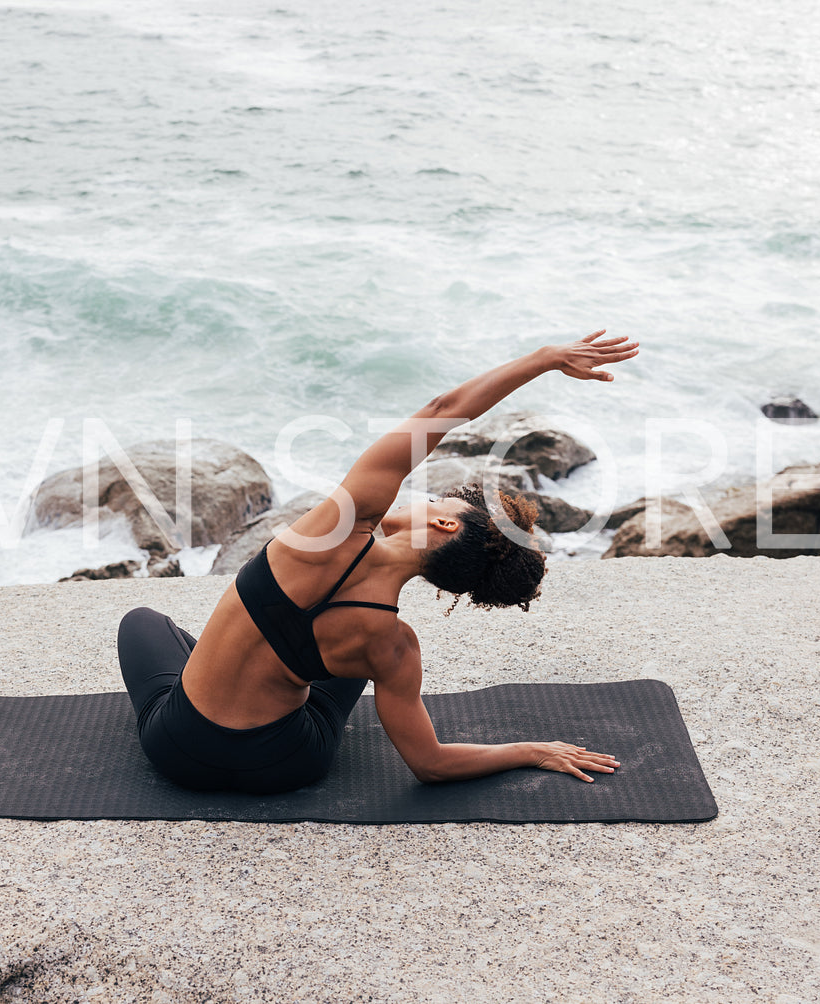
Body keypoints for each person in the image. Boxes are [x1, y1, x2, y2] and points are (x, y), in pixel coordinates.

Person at [117, 330, 638, 795]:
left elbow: (441, 410)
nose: (426, 498)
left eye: (438, 501)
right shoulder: (393, 646)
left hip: (179, 751)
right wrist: (530, 750)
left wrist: (544, 359)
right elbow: (431, 765)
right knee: (349, 660)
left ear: (444, 525)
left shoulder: (333, 529)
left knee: (143, 623)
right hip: (284, 767)